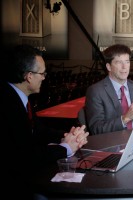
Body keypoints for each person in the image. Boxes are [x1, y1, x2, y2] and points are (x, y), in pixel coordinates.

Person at [0, 44, 89, 198]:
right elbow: (26, 156)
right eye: (42, 73)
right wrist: (66, 148)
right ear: (29, 76)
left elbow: (40, 130)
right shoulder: (7, 105)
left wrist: (68, 135)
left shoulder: (18, 97)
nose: (44, 77)